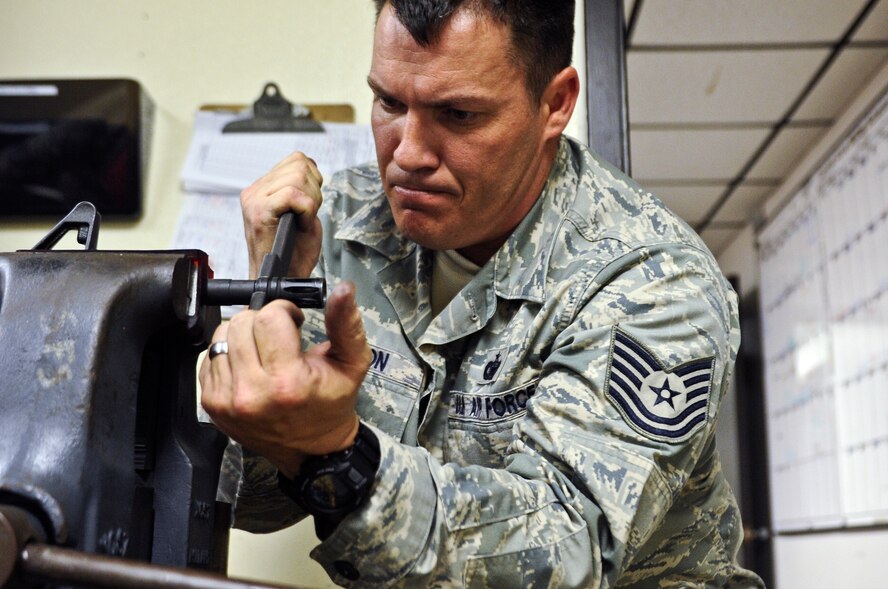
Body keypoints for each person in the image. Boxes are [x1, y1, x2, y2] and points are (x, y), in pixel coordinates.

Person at [199, 0, 765, 587]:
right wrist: (270, 304)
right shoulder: (336, 223)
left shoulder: (652, 281)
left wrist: (340, 455)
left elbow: (569, 550)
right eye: (390, 102)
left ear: (556, 103)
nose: (409, 154)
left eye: (459, 114)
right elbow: (256, 507)